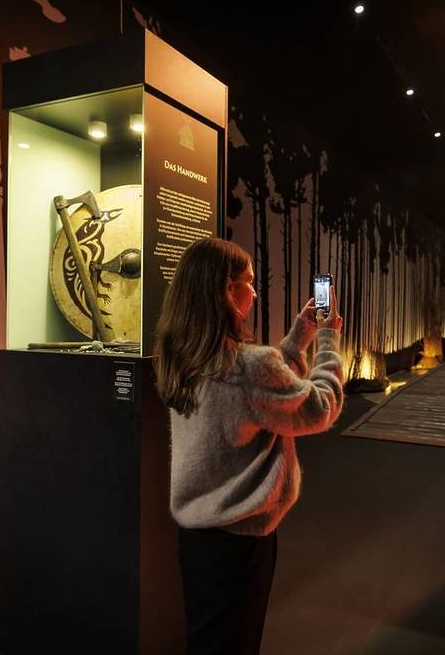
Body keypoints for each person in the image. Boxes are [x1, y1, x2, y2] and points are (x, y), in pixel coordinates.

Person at [153, 237, 344, 655]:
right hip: (240, 542)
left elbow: (254, 390)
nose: (255, 292)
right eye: (250, 282)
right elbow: (319, 407)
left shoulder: (182, 355)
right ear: (226, 288)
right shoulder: (248, 367)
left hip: (198, 538)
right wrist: (328, 342)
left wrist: (297, 338)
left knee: (209, 640)